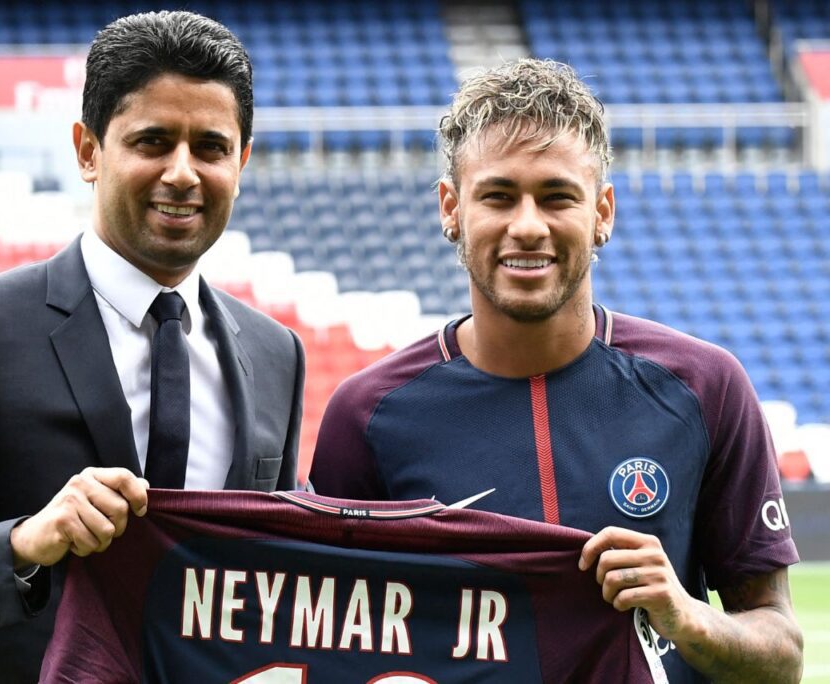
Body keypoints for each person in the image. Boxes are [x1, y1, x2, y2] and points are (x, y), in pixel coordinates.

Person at [0, 11, 304, 683]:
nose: (184, 172)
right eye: (153, 141)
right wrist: (23, 544)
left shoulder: (276, 354)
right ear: (87, 150)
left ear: (242, 162)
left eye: (211, 147)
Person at [309, 58, 803, 683]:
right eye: (498, 195)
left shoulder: (707, 388)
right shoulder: (367, 415)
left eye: (556, 196)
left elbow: (782, 656)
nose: (527, 226)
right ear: (450, 209)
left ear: (602, 212)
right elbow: (328, 647)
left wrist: (686, 615)